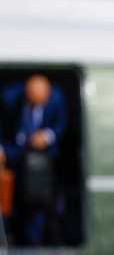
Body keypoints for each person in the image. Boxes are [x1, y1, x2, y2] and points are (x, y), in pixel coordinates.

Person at [0, 74, 67, 246]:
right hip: (14, 152)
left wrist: (47, 135)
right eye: (33, 101)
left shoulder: (57, 99)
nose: (36, 105)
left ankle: (33, 243)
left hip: (42, 160)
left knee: (37, 204)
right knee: (9, 203)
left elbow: (61, 124)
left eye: (40, 102)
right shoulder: (10, 98)